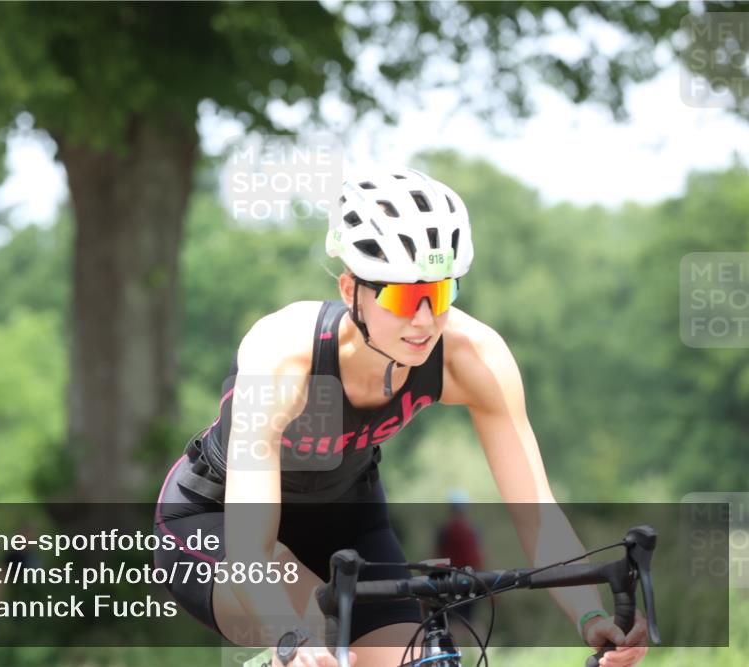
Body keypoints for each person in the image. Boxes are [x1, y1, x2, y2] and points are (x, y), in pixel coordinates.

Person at [153, 168, 649, 667]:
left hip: (348, 521)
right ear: (351, 290)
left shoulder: (472, 356)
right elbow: (249, 551)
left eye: (441, 294)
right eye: (405, 297)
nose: (425, 320)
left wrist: (591, 618)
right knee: (319, 637)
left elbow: (536, 513)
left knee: (423, 661)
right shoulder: (283, 355)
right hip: (216, 521)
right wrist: (289, 638)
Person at [434, 490, 483, 624]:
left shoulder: (444, 529)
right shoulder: (472, 529)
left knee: (451, 619)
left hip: (450, 581)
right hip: (471, 579)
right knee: (470, 620)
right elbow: (478, 557)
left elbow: (437, 555)